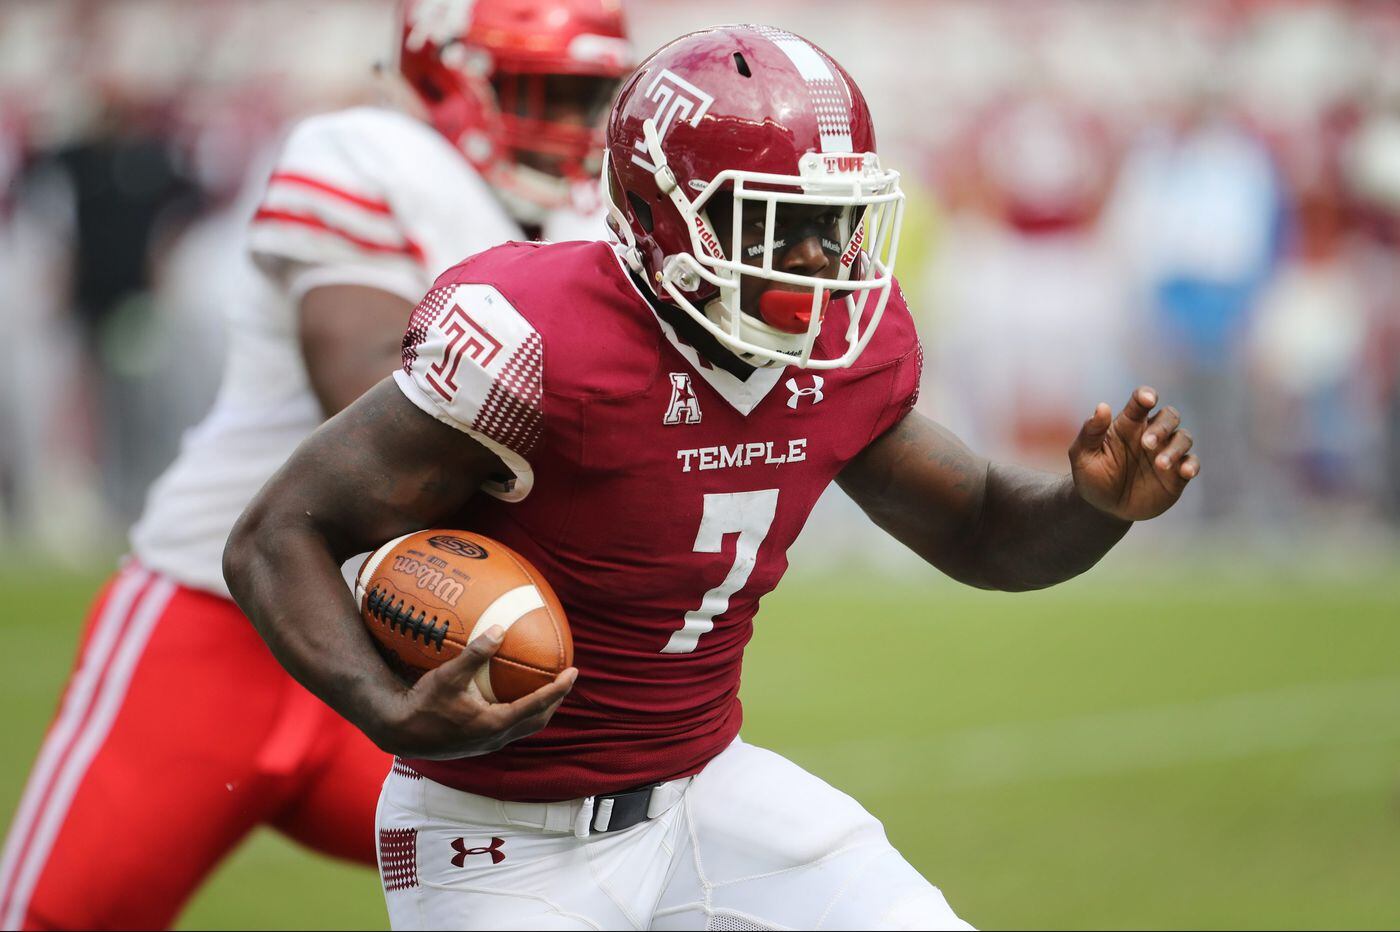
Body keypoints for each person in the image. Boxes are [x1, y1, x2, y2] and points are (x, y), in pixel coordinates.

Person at [224, 25, 1200, 931]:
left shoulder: (840, 350)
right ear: (661, 214)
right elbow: (278, 533)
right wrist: (383, 706)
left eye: (833, 223)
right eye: (778, 226)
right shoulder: (537, 343)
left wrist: (1091, 508)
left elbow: (980, 528)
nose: (818, 262)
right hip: (499, 835)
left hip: (708, 793)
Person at [0, 2, 630, 928]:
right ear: (446, 76)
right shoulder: (367, 154)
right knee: (53, 918)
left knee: (589, 894)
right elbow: (366, 380)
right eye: (546, 91)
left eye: (590, 96)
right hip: (217, 629)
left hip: (420, 635)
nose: (575, 124)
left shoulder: (591, 214)